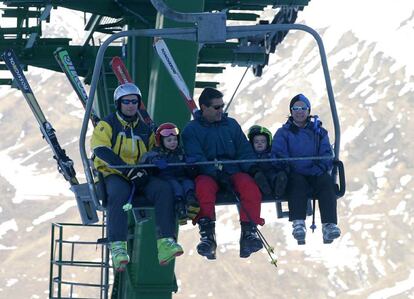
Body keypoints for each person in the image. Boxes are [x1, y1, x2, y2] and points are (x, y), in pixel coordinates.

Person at [90, 83, 183, 271]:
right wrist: (126, 169)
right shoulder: (108, 124)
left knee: (163, 189)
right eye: (126, 102)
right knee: (118, 192)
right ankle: (117, 247)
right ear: (119, 104)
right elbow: (100, 149)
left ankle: (165, 241)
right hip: (114, 173)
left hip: (139, 172)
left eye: (134, 101)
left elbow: (152, 150)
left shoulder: (144, 128)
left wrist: (150, 167)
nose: (131, 105)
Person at [182, 87, 268, 259]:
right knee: (204, 188)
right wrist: (215, 173)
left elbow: (243, 149)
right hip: (208, 173)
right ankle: (207, 235)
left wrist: (252, 168)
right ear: (204, 108)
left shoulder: (231, 125)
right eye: (217, 107)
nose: (221, 110)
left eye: (222, 106)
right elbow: (196, 157)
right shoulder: (191, 130)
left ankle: (248, 232)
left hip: (233, 169)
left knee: (248, 186)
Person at [272, 94, 341, 245]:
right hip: (295, 173)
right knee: (296, 183)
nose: (299, 111)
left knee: (326, 181)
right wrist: (292, 167)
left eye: (303, 108)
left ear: (308, 110)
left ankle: (329, 224)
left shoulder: (319, 132)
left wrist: (319, 168)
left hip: (314, 172)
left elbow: (326, 154)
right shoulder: (283, 133)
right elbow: (278, 153)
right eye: (295, 108)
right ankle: (298, 223)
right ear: (291, 111)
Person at [140, 122, 200, 225]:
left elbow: (187, 165)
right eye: (169, 140)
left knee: (188, 183)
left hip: (181, 175)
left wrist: (190, 164)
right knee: (176, 187)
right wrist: (155, 161)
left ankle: (191, 201)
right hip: (167, 177)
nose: (173, 143)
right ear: (161, 141)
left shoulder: (180, 151)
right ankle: (179, 206)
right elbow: (146, 158)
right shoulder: (158, 152)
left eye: (175, 139)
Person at [247, 125, 288, 197]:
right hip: (258, 173)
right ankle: (265, 189)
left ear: (268, 143)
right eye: (256, 142)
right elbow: (248, 164)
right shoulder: (251, 154)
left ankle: (279, 186)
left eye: (263, 141)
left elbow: (277, 161)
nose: (259, 143)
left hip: (270, 171)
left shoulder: (271, 153)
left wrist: (279, 165)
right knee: (258, 177)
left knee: (274, 176)